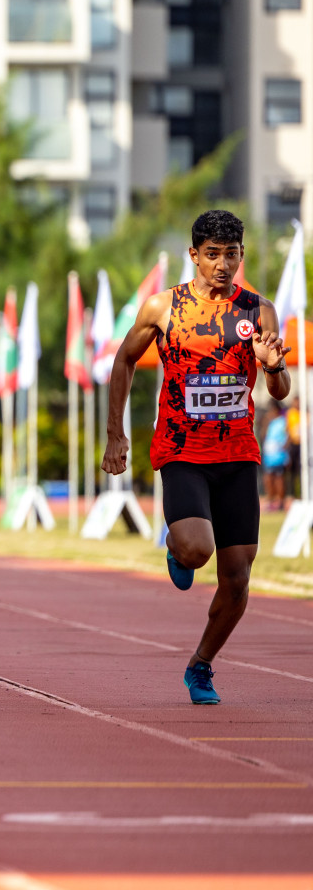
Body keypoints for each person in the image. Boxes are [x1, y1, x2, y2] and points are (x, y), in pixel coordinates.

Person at [103, 209, 289, 705]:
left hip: (237, 454)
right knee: (197, 550)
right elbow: (123, 361)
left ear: (241, 256)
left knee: (237, 578)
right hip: (183, 450)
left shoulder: (259, 311)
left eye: (231, 255)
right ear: (194, 256)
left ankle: (200, 666)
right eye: (212, 255)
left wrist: (274, 370)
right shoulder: (163, 308)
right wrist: (114, 434)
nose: (222, 265)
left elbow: (281, 388)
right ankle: (176, 546)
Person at [262, 401, 289, 511]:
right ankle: (271, 500)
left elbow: (288, 436)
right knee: (268, 478)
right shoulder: (270, 422)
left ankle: (281, 501)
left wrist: (284, 448)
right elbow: (264, 435)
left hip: (279, 454)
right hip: (269, 454)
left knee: (278, 478)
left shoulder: (283, 421)